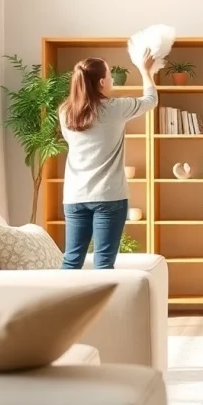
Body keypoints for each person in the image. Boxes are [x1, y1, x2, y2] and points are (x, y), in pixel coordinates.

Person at [59, 50, 158, 269]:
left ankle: (61, 294)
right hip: (108, 196)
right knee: (103, 264)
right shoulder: (115, 108)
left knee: (71, 260)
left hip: (75, 196)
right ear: (102, 82)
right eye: (110, 74)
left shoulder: (65, 112)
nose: (112, 78)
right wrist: (145, 71)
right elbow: (151, 100)